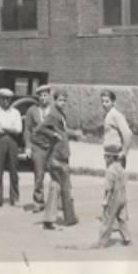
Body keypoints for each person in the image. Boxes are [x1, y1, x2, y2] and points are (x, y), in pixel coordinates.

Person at [38, 89, 80, 230]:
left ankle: (49, 219)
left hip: (62, 153)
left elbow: (64, 130)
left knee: (56, 186)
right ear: (54, 100)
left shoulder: (60, 114)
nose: (63, 102)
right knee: (65, 186)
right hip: (56, 156)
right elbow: (40, 129)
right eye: (60, 100)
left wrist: (74, 133)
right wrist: (53, 134)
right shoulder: (53, 114)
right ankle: (69, 217)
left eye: (65, 100)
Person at [0, 88, 23, 207]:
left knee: (14, 170)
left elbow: (18, 130)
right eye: (3, 98)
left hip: (13, 142)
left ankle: (15, 197)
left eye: (7, 99)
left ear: (10, 99)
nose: (5, 101)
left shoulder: (16, 113)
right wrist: (10, 128)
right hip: (0, 142)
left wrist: (4, 127)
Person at [22, 84, 52, 212]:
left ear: (49, 96)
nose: (43, 98)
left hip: (52, 147)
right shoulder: (32, 110)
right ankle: (38, 202)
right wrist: (28, 147)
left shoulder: (54, 110)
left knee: (56, 174)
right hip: (38, 147)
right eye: (40, 96)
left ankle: (57, 201)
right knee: (39, 176)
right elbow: (27, 130)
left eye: (45, 95)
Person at [94, 152, 131, 248]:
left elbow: (108, 188)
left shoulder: (110, 170)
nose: (104, 159)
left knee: (107, 219)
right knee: (122, 218)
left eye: (105, 157)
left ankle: (101, 242)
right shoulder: (121, 168)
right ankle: (127, 238)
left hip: (113, 197)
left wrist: (105, 200)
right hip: (123, 196)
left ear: (111, 157)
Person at [100, 89, 132, 167]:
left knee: (115, 178)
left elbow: (127, 134)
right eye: (102, 101)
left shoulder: (116, 115)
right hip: (109, 155)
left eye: (107, 101)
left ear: (113, 102)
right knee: (111, 178)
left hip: (116, 157)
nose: (104, 104)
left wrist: (124, 152)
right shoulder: (108, 115)